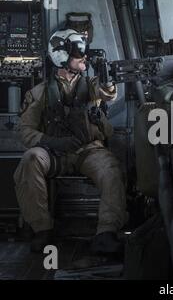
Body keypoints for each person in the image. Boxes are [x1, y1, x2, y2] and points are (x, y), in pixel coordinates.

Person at [13, 28, 128, 253]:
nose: (84, 57)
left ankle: (105, 233)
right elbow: (24, 131)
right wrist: (51, 142)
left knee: (111, 168)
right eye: (78, 53)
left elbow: (107, 93)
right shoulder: (39, 93)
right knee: (31, 159)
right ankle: (42, 229)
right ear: (61, 56)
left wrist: (108, 82)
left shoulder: (91, 85)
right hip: (54, 153)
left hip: (88, 151)